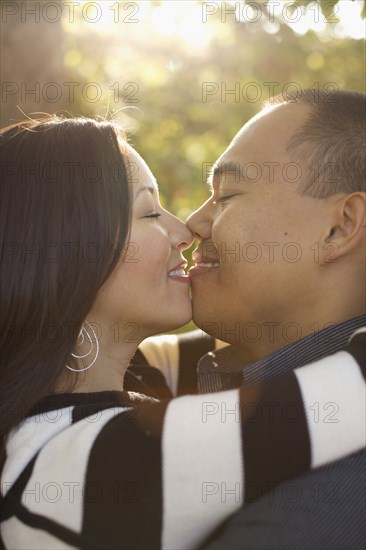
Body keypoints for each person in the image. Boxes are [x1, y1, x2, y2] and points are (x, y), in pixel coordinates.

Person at [0, 115, 364, 550]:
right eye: (150, 212)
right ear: (73, 252)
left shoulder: (122, 381)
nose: (183, 231)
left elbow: (265, 335)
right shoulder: (87, 462)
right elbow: (344, 395)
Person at [136, 89, 366, 549]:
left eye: (227, 195)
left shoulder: (323, 505)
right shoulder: (188, 374)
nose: (191, 225)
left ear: (339, 227)